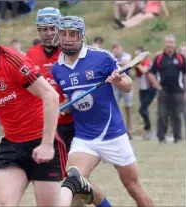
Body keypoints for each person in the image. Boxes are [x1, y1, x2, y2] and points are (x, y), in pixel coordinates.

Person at [0, 17, 93, 206]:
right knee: (3, 204)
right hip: (11, 145)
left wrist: (47, 144)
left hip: (40, 141)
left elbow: (50, 96)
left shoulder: (13, 62)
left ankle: (72, 183)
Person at [52, 16, 153, 207]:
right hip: (85, 137)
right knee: (74, 181)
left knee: (133, 187)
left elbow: (128, 86)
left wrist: (118, 81)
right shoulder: (58, 69)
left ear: (81, 36)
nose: (67, 38)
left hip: (113, 134)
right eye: (63, 34)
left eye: (72, 34)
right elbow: (72, 97)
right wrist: (59, 108)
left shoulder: (101, 57)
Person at [26, 7, 75, 153]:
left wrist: (67, 104)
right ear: (38, 31)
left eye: (52, 28)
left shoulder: (71, 53)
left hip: (69, 125)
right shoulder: (31, 53)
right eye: (43, 29)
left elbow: (79, 87)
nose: (48, 33)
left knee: (72, 170)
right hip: (41, 124)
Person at [148, 35, 186, 144]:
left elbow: (185, 74)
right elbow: (151, 73)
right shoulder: (159, 58)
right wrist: (158, 86)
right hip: (163, 91)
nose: (169, 44)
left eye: (171, 42)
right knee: (162, 116)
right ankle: (162, 138)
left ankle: (177, 138)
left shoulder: (180, 58)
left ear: (175, 44)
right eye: (167, 42)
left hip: (178, 91)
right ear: (165, 44)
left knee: (177, 116)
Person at [134, 46, 156, 140]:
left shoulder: (146, 62)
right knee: (144, 110)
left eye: (138, 56)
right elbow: (138, 78)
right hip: (143, 89)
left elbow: (145, 71)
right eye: (135, 56)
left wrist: (137, 64)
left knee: (142, 109)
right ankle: (148, 130)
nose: (136, 58)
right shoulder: (138, 64)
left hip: (151, 89)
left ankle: (149, 129)